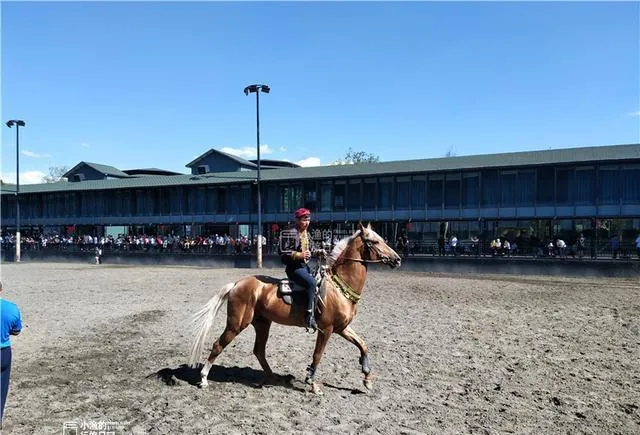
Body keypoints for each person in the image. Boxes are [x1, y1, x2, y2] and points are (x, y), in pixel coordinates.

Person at [279, 208, 320, 331]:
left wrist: (319, 251)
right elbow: (282, 251)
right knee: (312, 283)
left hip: (304, 266)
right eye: (304, 220)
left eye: (308, 219)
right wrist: (299, 255)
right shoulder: (290, 232)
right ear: (297, 220)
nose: (307, 222)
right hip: (294, 268)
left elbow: (311, 248)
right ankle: (308, 315)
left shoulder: (306, 233)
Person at [1, 281, 22, 426]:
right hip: (3, 352)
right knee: (1, 388)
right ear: (1, 289)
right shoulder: (12, 308)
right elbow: (16, 331)